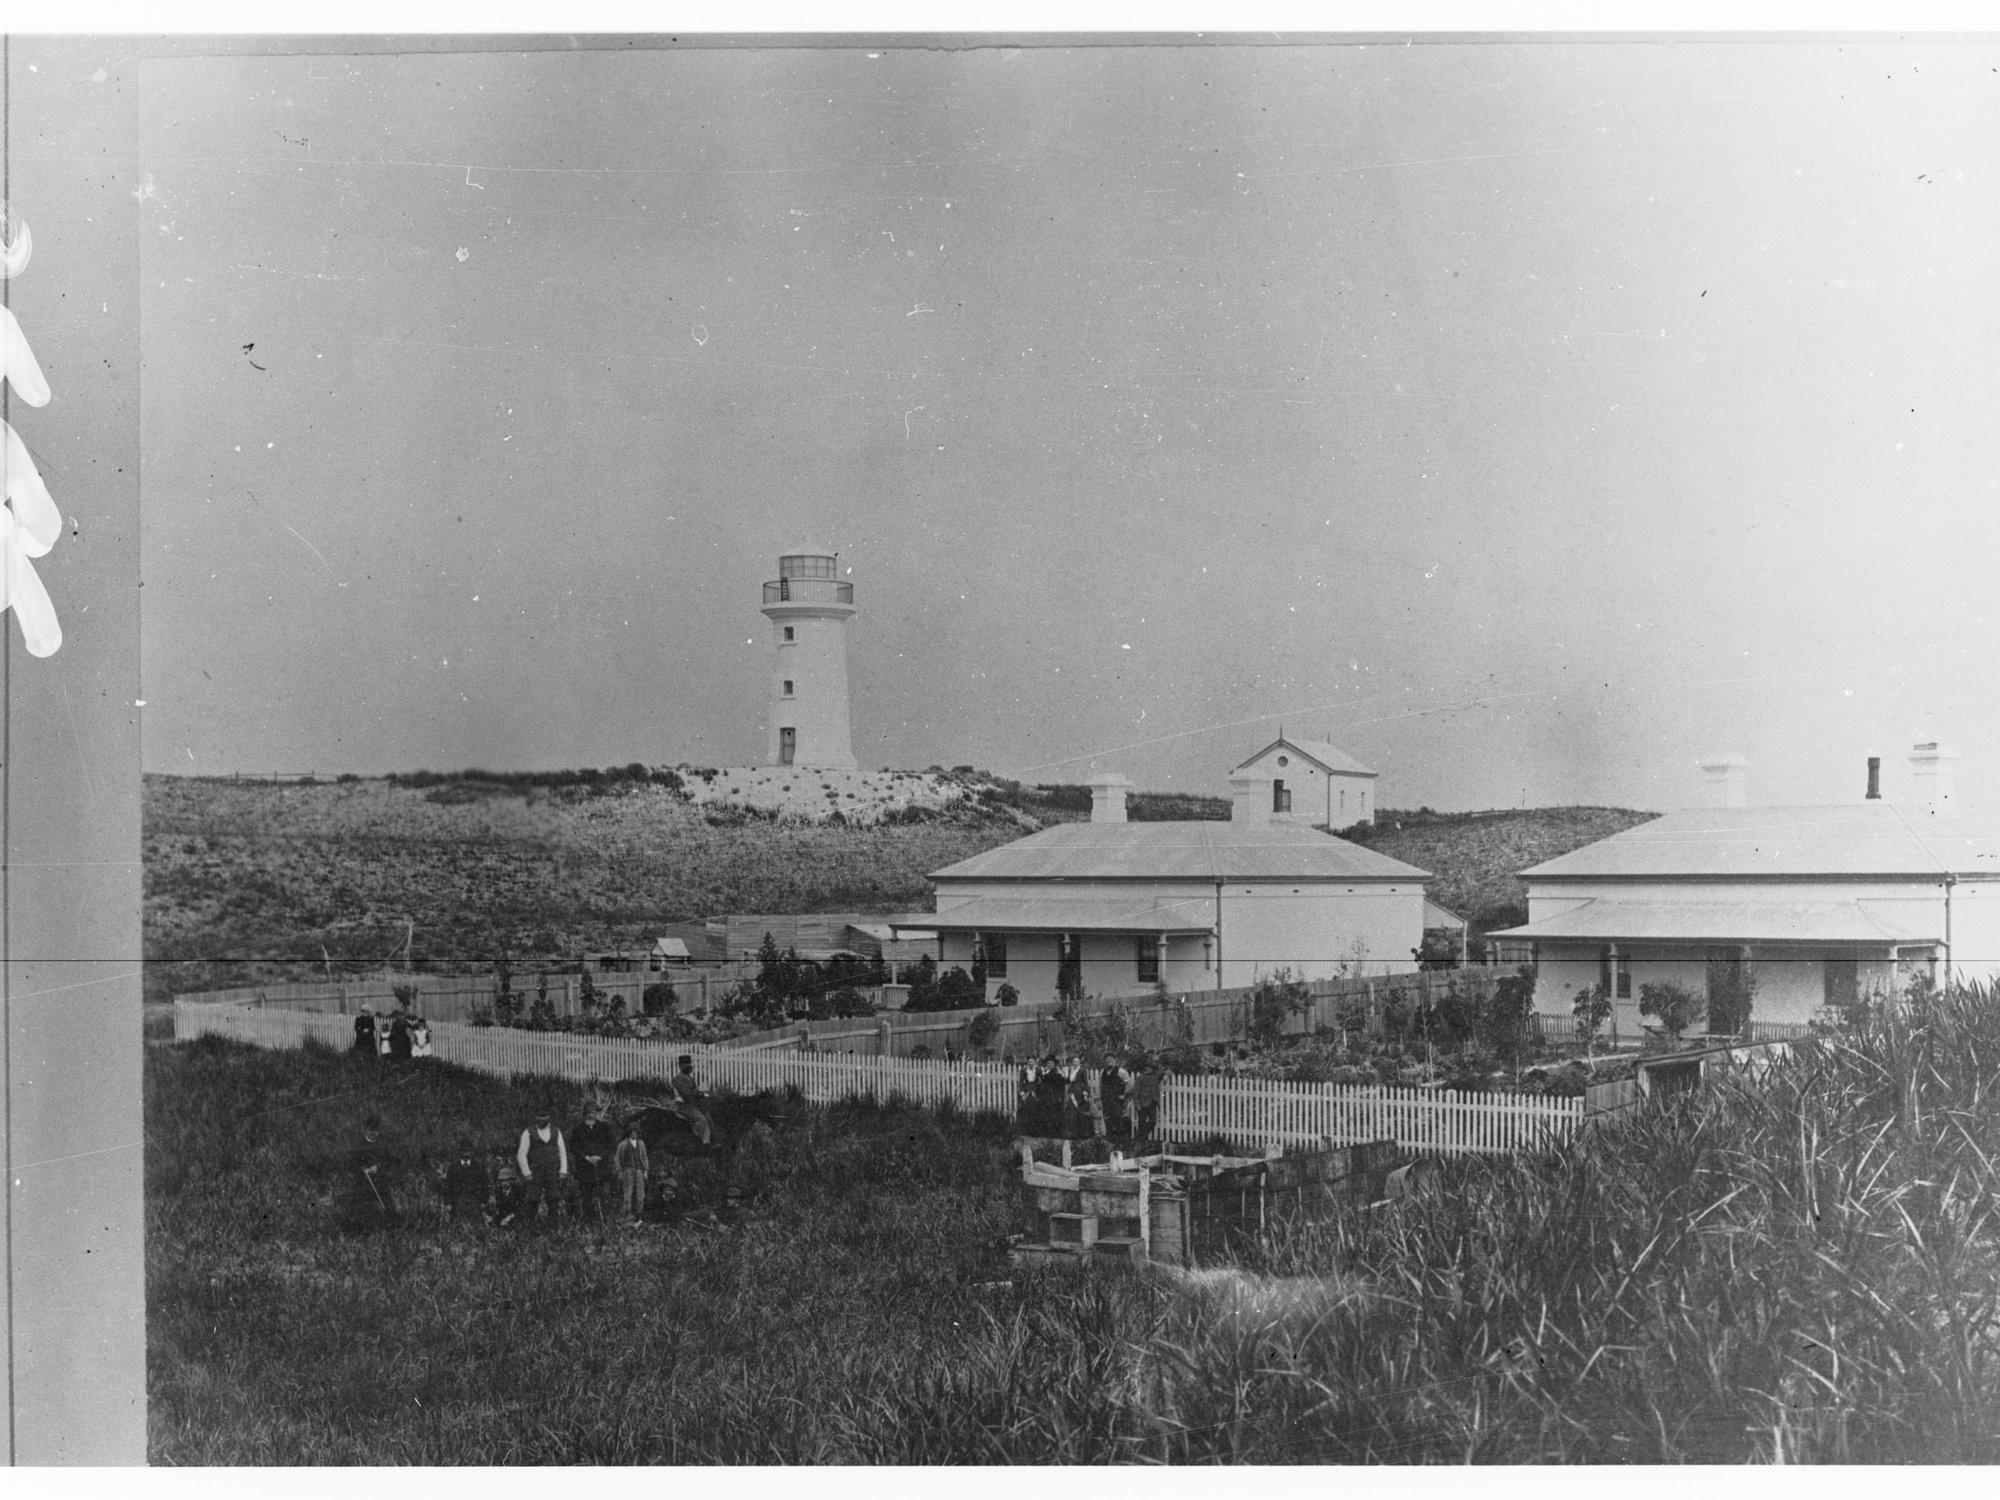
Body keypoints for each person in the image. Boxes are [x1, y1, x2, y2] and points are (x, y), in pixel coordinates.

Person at [340, 1115, 401, 1233]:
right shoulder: (358, 1146)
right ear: (365, 1130)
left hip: (380, 1181)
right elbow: (351, 1165)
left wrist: (378, 1166)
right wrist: (362, 1170)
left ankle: (393, 1228)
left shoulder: (383, 1145)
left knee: (387, 1205)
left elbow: (390, 1161)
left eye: (376, 1130)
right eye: (371, 1130)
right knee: (363, 1208)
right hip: (364, 1183)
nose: (374, 1133)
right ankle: (362, 1230)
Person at [516, 1106, 570, 1219]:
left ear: (549, 1117)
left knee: (554, 1199)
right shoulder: (528, 1132)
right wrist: (527, 1173)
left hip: (552, 1171)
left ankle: (553, 1228)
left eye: (544, 1116)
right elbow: (521, 1154)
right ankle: (530, 1228)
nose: (542, 1119)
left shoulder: (556, 1131)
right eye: (539, 1116)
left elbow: (562, 1152)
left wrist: (563, 1170)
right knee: (533, 1199)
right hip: (535, 1172)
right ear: (535, 1117)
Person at [571, 1102, 619, 1222]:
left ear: (597, 1114)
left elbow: (612, 1145)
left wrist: (600, 1157)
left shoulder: (605, 1127)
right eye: (588, 1113)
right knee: (587, 1197)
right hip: (585, 1170)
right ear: (583, 1115)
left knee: (605, 1195)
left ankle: (606, 1221)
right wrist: (586, 1157)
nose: (590, 1116)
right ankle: (589, 1222)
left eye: (593, 1113)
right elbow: (573, 1147)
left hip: (602, 1169)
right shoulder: (577, 1130)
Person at [442, 1133, 490, 1223]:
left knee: (475, 1226)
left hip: (474, 1202)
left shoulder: (478, 1167)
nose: (465, 1153)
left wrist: (484, 1202)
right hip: (457, 1202)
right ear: (460, 1152)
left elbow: (485, 1185)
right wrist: (448, 1203)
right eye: (463, 1151)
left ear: (471, 1152)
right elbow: (448, 1186)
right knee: (457, 1226)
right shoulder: (453, 1167)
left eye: (468, 1151)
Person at [669, 1055, 712, 1147]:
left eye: (689, 1064)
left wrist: (702, 1094)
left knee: (709, 1114)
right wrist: (699, 1092)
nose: (688, 1066)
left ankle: (711, 1137)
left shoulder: (689, 1078)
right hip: (683, 1105)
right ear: (680, 1065)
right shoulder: (678, 1079)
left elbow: (694, 1092)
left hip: (691, 1104)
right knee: (701, 1119)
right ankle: (704, 1144)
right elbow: (687, 1095)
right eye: (685, 1064)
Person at [614, 1119, 651, 1225]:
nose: (634, 1134)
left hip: (639, 1170)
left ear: (638, 1133)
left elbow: (645, 1157)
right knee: (628, 1193)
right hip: (628, 1170)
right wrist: (620, 1171)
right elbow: (617, 1159)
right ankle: (627, 1215)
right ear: (629, 1132)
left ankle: (639, 1216)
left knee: (640, 1194)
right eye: (632, 1131)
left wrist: (646, 1170)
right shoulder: (623, 1144)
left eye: (636, 1132)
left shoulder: (641, 1143)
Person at [1131, 1054, 1163, 1142]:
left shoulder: (1156, 1076)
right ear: (1145, 1068)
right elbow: (1135, 1092)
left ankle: (1139, 1137)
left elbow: (1167, 1072)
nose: (1149, 1069)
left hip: (1153, 1102)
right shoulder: (1140, 1078)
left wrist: (1157, 1059)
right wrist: (1137, 1104)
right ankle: (1141, 1141)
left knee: (1153, 1121)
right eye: (1147, 1067)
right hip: (1142, 1103)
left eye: (1151, 1067)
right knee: (1142, 1122)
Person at [1033, 1054, 1066, 1137]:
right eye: (1048, 1063)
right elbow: (1040, 1084)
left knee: (1053, 1114)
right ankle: (1044, 1132)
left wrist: (1059, 1097)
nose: (1049, 1065)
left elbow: (1061, 1087)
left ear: (1054, 1064)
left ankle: (1053, 1133)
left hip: (1053, 1096)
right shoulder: (1044, 1073)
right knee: (1044, 1113)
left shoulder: (1057, 1074)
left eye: (1051, 1063)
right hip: (1044, 1095)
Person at [1100, 1057, 1131, 1141]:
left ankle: (1121, 1139)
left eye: (1111, 1060)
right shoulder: (1102, 1073)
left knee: (1119, 1119)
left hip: (1117, 1100)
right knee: (1107, 1119)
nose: (1109, 1062)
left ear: (1115, 1061)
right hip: (1106, 1100)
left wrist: (1124, 1094)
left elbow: (1128, 1083)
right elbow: (1101, 1086)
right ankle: (1110, 1139)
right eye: (1107, 1061)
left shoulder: (1121, 1072)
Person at [1062, 1054, 1092, 1139]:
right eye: (1074, 1061)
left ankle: (1080, 1133)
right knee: (1070, 1112)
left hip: (1079, 1093)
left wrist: (1085, 1092)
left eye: (1077, 1061)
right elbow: (1067, 1082)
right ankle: (1071, 1133)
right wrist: (1065, 1074)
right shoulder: (1070, 1071)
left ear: (1079, 1063)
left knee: (1079, 1112)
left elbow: (1085, 1082)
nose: (1075, 1063)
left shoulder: (1082, 1071)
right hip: (1070, 1092)